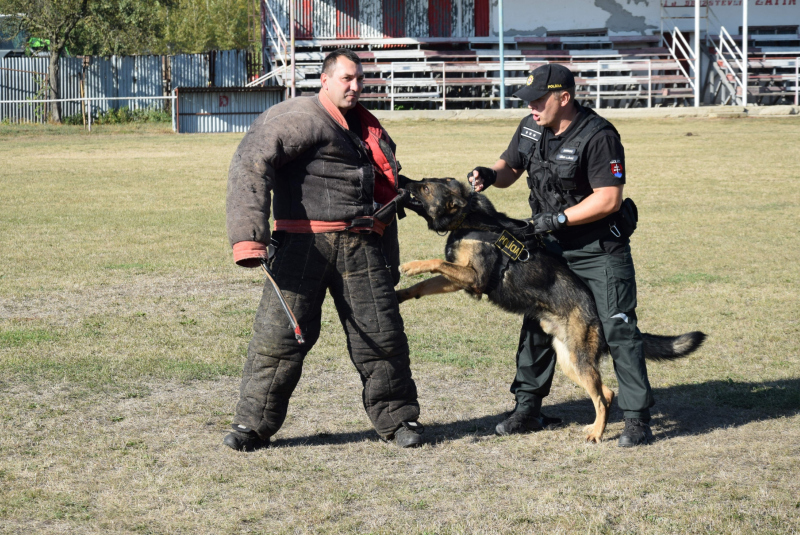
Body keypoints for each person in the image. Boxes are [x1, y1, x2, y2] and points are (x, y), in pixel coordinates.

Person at [223, 48, 424, 451]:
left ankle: (398, 420)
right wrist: (249, 236)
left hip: (363, 245)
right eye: (347, 78)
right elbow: (249, 162)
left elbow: (379, 186)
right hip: (302, 247)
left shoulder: (366, 126)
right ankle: (251, 426)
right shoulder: (294, 117)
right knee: (277, 340)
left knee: (382, 337)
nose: (355, 86)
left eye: (359, 79)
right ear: (326, 80)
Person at [468, 63, 654, 447]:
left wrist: (560, 217)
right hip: (549, 244)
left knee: (618, 326)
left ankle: (636, 418)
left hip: (598, 246)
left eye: (539, 99)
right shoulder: (531, 126)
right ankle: (527, 408)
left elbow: (608, 199)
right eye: (529, 101)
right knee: (537, 319)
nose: (532, 107)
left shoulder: (599, 136)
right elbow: (510, 168)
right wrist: (490, 172)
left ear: (564, 98)